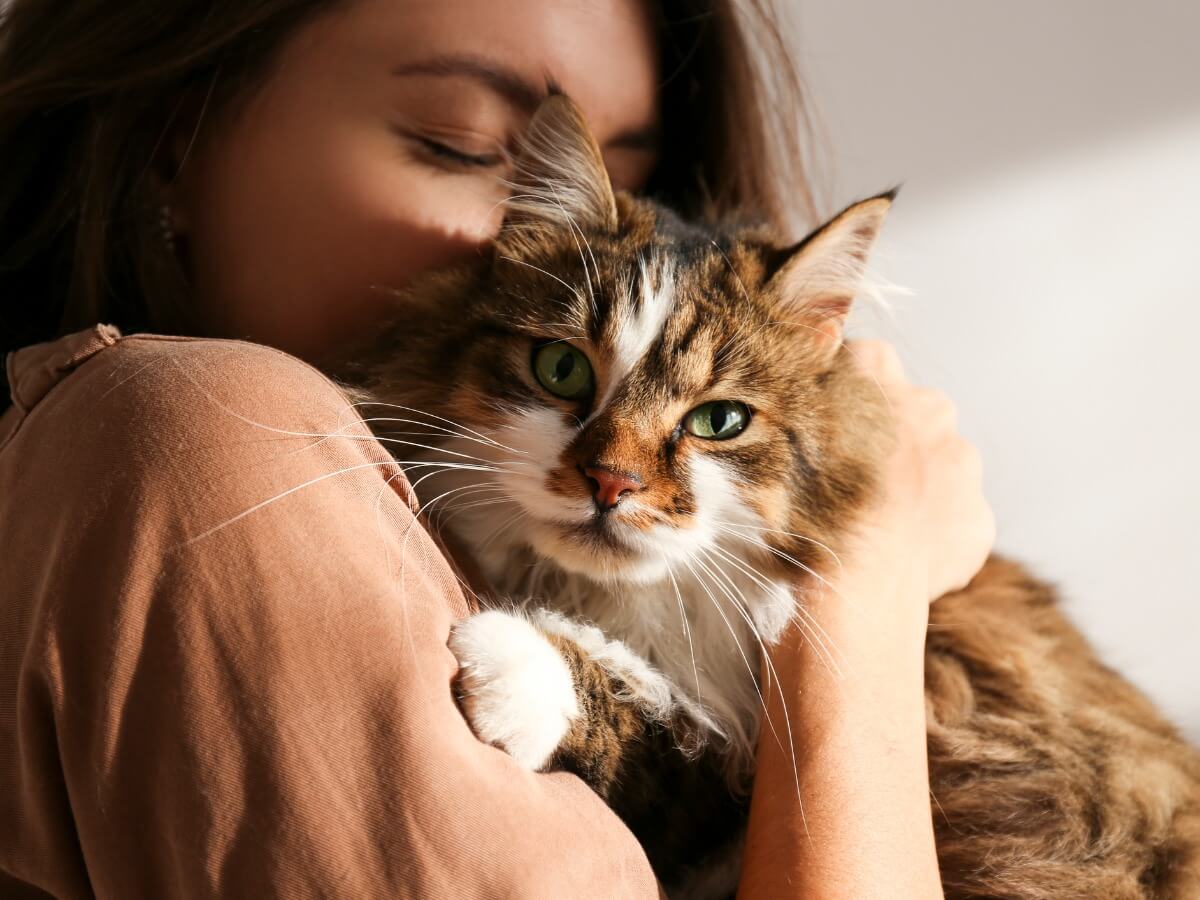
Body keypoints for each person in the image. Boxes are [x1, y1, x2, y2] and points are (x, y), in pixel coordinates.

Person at [0, 0, 994, 897]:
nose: (548, 235)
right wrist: (867, 591)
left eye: (626, 182)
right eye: (468, 147)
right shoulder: (210, 434)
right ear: (173, 140)